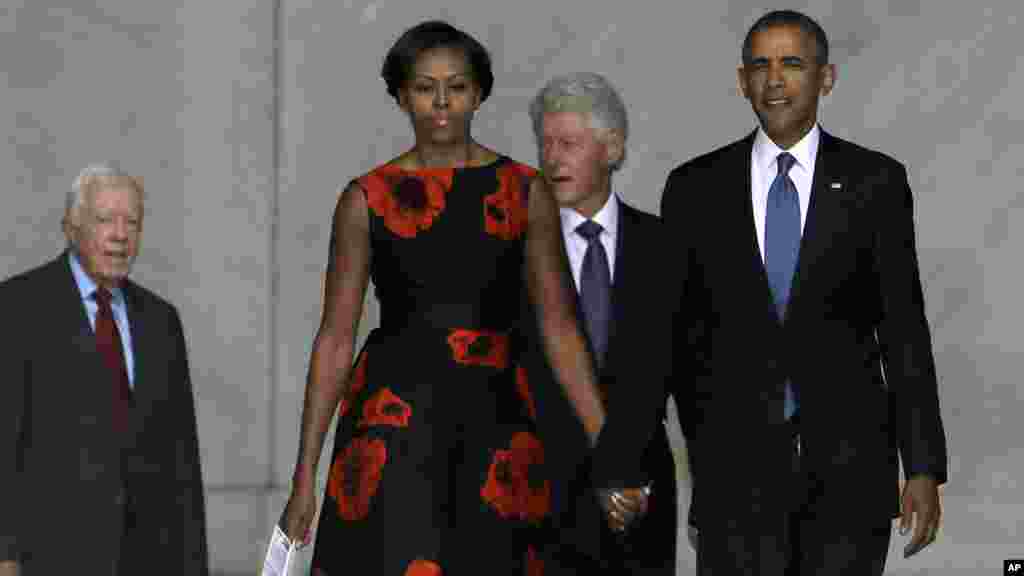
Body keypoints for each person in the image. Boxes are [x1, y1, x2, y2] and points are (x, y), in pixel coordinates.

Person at [278, 21, 606, 575]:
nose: (440, 102)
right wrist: (303, 475)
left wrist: (608, 443)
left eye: (455, 86)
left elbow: (559, 327)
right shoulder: (366, 198)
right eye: (425, 87)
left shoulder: (526, 191)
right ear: (402, 96)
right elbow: (335, 338)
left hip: (499, 424)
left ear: (478, 93)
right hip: (392, 428)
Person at [660, 10, 948, 575]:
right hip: (734, 480)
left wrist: (922, 466)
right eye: (760, 65)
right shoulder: (695, 187)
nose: (775, 79)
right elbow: (678, 343)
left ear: (826, 78)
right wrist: (700, 467)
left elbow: (904, 331)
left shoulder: (875, 183)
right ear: (742, 81)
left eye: (792, 63)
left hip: (851, 474)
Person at [0, 163, 209, 575]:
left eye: (131, 222)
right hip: (51, 556)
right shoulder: (17, 307)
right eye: (104, 220)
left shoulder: (161, 321)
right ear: (72, 226)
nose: (119, 235)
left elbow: (182, 464)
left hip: (148, 558)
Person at [525, 72, 679, 575]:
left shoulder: (666, 249)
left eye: (568, 143)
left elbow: (699, 383)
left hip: (640, 501)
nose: (552, 159)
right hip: (535, 503)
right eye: (545, 144)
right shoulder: (513, 254)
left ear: (611, 148)